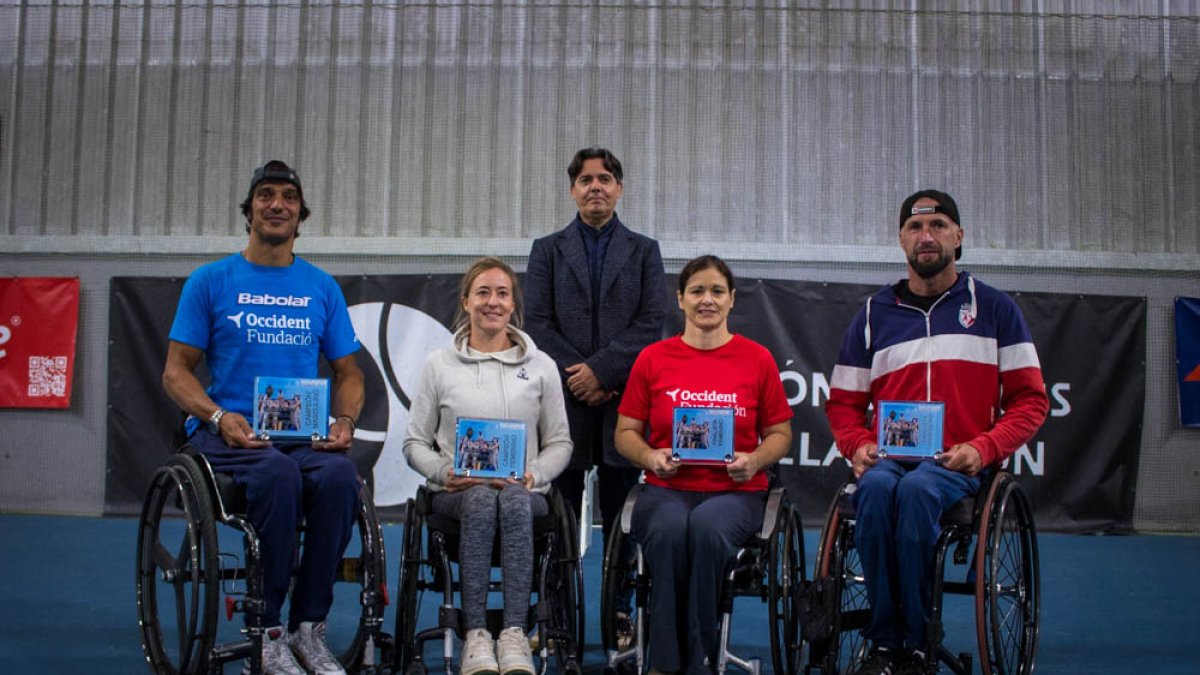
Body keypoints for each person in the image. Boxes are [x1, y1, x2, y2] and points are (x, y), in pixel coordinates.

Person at [825, 190, 1049, 675]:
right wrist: (858, 445)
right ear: (901, 239)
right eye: (915, 228)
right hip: (889, 460)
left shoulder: (994, 309)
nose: (927, 236)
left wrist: (983, 447)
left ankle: (917, 641)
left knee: (919, 491)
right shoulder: (870, 315)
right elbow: (843, 404)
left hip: (955, 465)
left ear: (959, 236)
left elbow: (1031, 401)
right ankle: (888, 645)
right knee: (879, 488)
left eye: (939, 225)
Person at [162, 160, 364, 675]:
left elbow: (350, 372)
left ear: (301, 216)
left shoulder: (321, 287)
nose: (278, 204)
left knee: (342, 475)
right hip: (229, 434)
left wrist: (343, 421)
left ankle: (308, 629)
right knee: (277, 475)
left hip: (300, 434)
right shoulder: (210, 281)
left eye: (289, 198)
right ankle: (268, 631)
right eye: (267, 195)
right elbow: (176, 373)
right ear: (249, 210)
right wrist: (217, 415)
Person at [614, 255, 794, 675]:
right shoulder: (653, 359)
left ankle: (694, 663)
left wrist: (754, 460)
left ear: (732, 300)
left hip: (735, 492)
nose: (706, 300)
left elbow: (780, 435)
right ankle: (664, 661)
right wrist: (650, 456)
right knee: (669, 531)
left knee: (709, 529)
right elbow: (625, 433)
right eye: (697, 291)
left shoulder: (757, 359)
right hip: (666, 488)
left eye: (716, 291)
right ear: (680, 300)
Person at [403, 257, 573, 675]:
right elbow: (414, 443)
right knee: (479, 500)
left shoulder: (542, 367)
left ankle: (514, 632)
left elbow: (560, 442)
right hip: (456, 495)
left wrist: (535, 475)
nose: (492, 302)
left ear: (514, 304)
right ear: (466, 301)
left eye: (502, 293)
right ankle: (476, 635)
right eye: (483, 292)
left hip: (525, 493)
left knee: (514, 500)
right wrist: (445, 474)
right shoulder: (438, 365)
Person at [524, 147, 668, 562]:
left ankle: (620, 612)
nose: (595, 188)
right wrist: (580, 377)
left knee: (625, 520)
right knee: (557, 518)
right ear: (572, 190)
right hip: (563, 403)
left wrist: (602, 374)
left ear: (619, 189)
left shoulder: (644, 251)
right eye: (586, 180)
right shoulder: (546, 250)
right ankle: (557, 619)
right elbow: (537, 323)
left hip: (622, 403)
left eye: (604, 179)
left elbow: (650, 322)